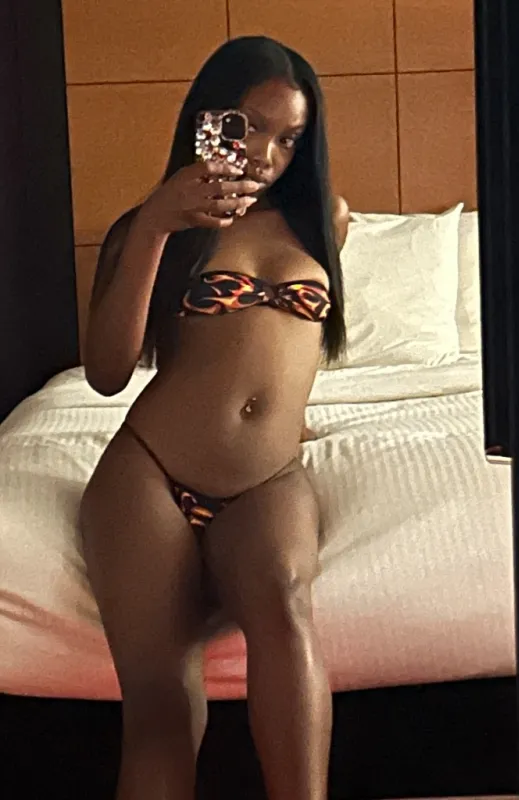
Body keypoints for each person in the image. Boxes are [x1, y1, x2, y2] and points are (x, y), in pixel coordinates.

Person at [80, 34, 349, 800]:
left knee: (285, 606)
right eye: (250, 127)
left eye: (290, 137)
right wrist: (157, 225)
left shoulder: (325, 222)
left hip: (266, 480)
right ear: (208, 119)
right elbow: (106, 373)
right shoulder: (152, 225)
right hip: (150, 475)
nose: (266, 154)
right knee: (164, 703)